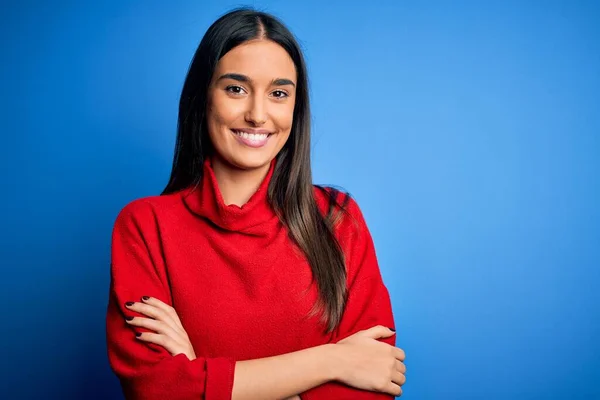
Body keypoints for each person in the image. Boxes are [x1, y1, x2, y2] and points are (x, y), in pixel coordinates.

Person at [105, 7, 406, 400]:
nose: (257, 114)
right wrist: (332, 361)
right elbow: (156, 389)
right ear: (203, 98)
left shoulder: (337, 219)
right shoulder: (145, 226)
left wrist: (200, 375)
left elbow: (377, 378)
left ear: (296, 109)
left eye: (279, 93)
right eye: (236, 89)